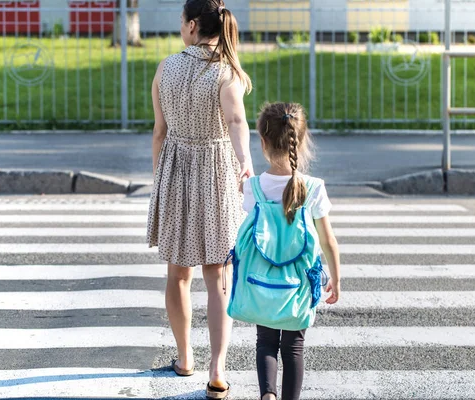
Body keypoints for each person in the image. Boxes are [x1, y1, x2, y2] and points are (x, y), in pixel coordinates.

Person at [145, 0, 253, 398]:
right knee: (217, 278)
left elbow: (159, 131)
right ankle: (218, 368)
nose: (179, 28)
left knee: (178, 273)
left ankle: (185, 356)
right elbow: (236, 121)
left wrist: (160, 177)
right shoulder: (226, 72)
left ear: (192, 26)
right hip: (216, 173)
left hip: (175, 170)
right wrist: (245, 162)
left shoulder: (165, 68)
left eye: (180, 22)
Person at [241, 102, 341, 400]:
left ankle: (267, 394)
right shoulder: (313, 187)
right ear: (303, 139)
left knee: (266, 342)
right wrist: (336, 278)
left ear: (262, 142)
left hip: (262, 279)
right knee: (294, 346)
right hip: (299, 282)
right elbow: (328, 240)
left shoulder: (253, 187)